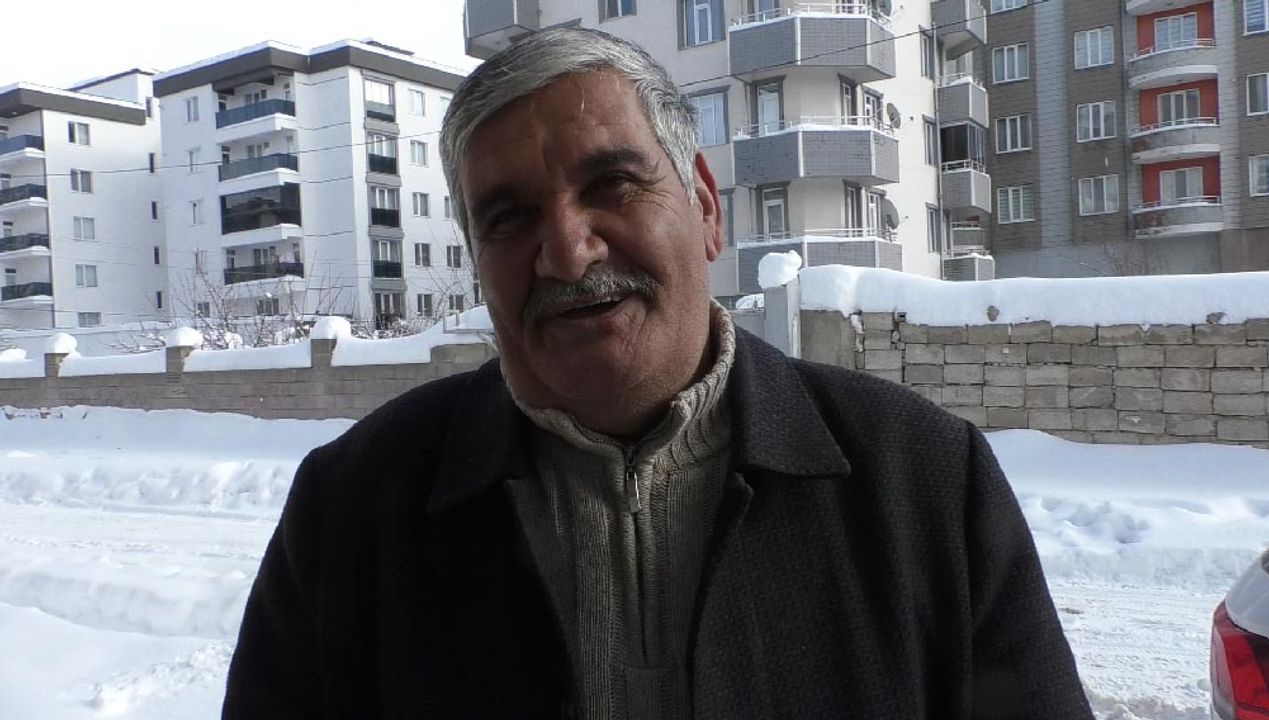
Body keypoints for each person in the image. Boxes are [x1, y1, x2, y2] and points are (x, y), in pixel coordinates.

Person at [223, 27, 1092, 720]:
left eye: (612, 185)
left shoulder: (927, 483)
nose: (568, 252)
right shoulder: (350, 510)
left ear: (706, 207)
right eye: (509, 217)